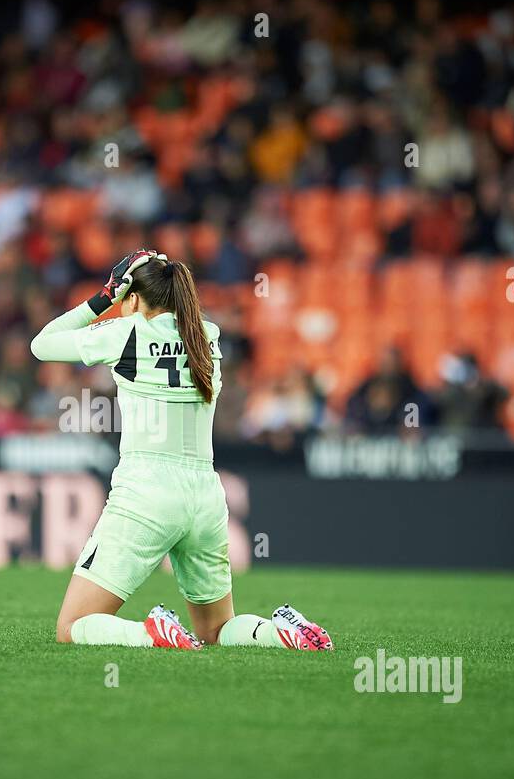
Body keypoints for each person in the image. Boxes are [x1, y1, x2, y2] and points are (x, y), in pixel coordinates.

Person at [29, 250, 333, 651]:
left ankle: (148, 633)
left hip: (146, 491)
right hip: (205, 495)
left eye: (125, 299)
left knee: (72, 626)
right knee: (215, 630)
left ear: (132, 298)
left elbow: (41, 345)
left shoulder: (126, 332)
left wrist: (104, 296)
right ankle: (279, 632)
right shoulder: (207, 337)